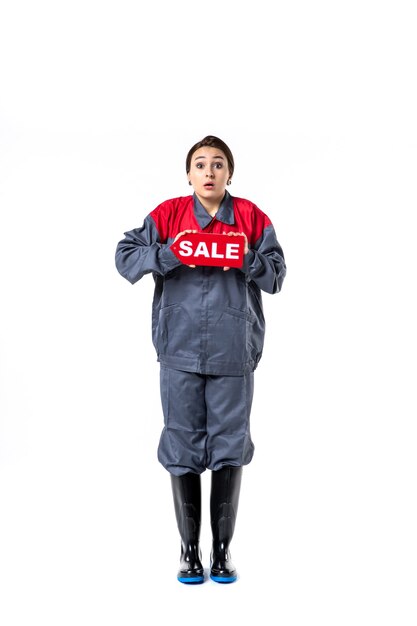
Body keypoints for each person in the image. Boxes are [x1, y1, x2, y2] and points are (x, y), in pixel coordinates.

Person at [115, 135, 286, 584]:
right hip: (179, 350)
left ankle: (223, 551)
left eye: (218, 164)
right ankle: (189, 552)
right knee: (183, 444)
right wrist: (169, 253)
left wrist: (247, 258)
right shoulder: (168, 215)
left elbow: (277, 276)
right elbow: (125, 256)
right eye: (199, 164)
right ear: (188, 174)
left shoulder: (251, 217)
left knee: (229, 443)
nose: (208, 172)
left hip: (234, 351)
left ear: (230, 173)